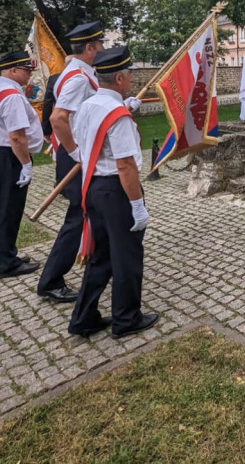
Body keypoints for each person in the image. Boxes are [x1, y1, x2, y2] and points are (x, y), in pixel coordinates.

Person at [68, 45, 158, 338]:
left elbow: (88, 144)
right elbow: (126, 166)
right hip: (116, 191)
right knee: (127, 256)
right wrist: (137, 206)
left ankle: (83, 317)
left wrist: (125, 107)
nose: (131, 77)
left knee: (102, 256)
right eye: (129, 73)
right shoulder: (117, 116)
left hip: (93, 186)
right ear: (119, 79)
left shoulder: (88, 106)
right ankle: (126, 318)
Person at [35, 21, 105, 304]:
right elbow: (58, 118)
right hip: (76, 155)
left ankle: (95, 259)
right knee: (77, 218)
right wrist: (75, 151)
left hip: (78, 152)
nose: (102, 49)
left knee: (89, 213)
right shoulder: (77, 77)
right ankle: (51, 280)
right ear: (89, 48)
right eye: (99, 45)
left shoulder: (79, 73)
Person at [0, 51, 45, 277]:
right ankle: (5, 263)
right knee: (7, 211)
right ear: (13, 70)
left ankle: (5, 255)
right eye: (26, 70)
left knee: (2, 210)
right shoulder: (12, 96)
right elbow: (16, 136)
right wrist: (26, 164)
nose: (29, 75)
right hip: (8, 156)